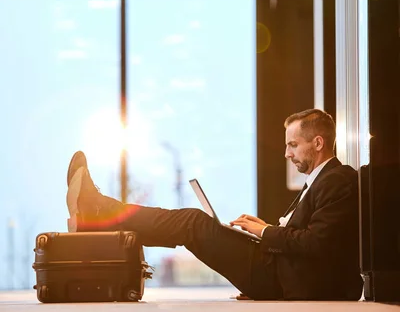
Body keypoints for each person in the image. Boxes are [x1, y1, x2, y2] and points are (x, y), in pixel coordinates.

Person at [66, 108, 362, 301]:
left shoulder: (337, 180)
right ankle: (101, 214)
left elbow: (317, 244)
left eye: (293, 145)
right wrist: (264, 229)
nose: (287, 153)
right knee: (191, 224)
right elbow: (306, 238)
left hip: (284, 279)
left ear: (319, 143)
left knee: (192, 222)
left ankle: (101, 210)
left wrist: (264, 233)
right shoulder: (323, 181)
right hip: (278, 271)